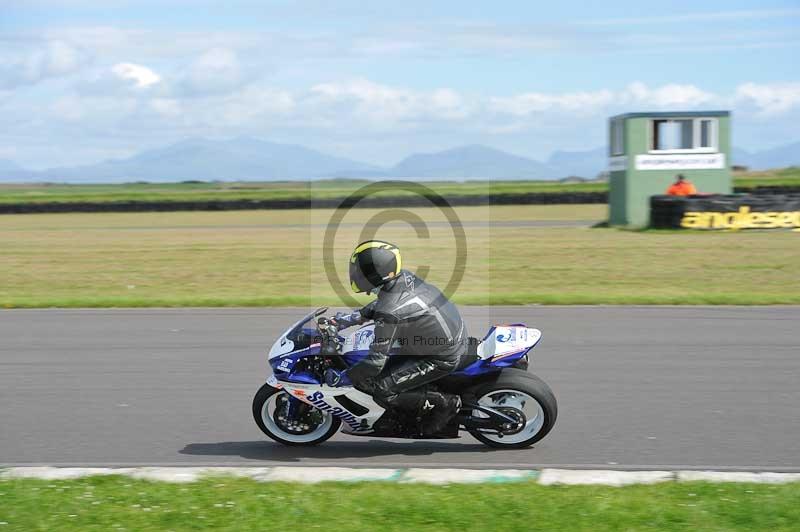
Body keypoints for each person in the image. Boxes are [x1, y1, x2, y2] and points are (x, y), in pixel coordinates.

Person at [324, 240, 465, 436]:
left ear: (375, 273)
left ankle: (446, 403)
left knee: (378, 386)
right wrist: (350, 319)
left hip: (440, 356)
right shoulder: (402, 278)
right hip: (439, 336)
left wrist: (345, 377)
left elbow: (374, 363)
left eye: (360, 270)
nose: (355, 273)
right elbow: (383, 303)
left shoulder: (389, 311)